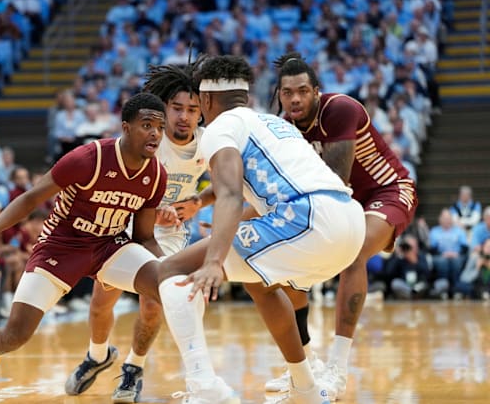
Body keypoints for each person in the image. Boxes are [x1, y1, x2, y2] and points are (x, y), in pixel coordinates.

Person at [0, 93, 240, 404]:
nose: (156, 134)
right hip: (61, 246)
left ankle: (201, 381)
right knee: (16, 334)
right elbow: (31, 198)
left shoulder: (155, 175)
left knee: (173, 288)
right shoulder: (86, 159)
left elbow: (144, 237)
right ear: (126, 128)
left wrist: (168, 271)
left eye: (159, 127)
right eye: (147, 125)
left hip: (109, 246)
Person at [155, 54, 363, 404]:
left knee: (171, 269)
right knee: (258, 283)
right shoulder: (270, 122)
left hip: (308, 220)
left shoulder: (219, 129)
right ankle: (306, 387)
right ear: (245, 96)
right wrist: (202, 201)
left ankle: (206, 388)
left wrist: (213, 261)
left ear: (205, 101)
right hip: (348, 221)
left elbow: (232, 194)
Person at [268, 52, 418, 399]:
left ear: (317, 92)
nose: (294, 98)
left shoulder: (340, 109)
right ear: (279, 95)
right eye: (287, 92)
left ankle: (337, 368)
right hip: (342, 201)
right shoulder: (282, 127)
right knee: (284, 258)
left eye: (302, 91)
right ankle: (304, 364)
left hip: (386, 191)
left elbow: (336, 180)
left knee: (353, 254)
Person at [64, 61, 210, 403]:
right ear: (164, 108)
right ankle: (97, 356)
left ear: (202, 113)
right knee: (102, 302)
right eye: (177, 108)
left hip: (170, 235)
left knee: (152, 302)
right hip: (125, 224)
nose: (184, 117)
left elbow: (227, 183)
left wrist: (198, 203)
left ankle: (134, 366)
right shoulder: (148, 138)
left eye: (192, 109)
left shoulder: (208, 144)